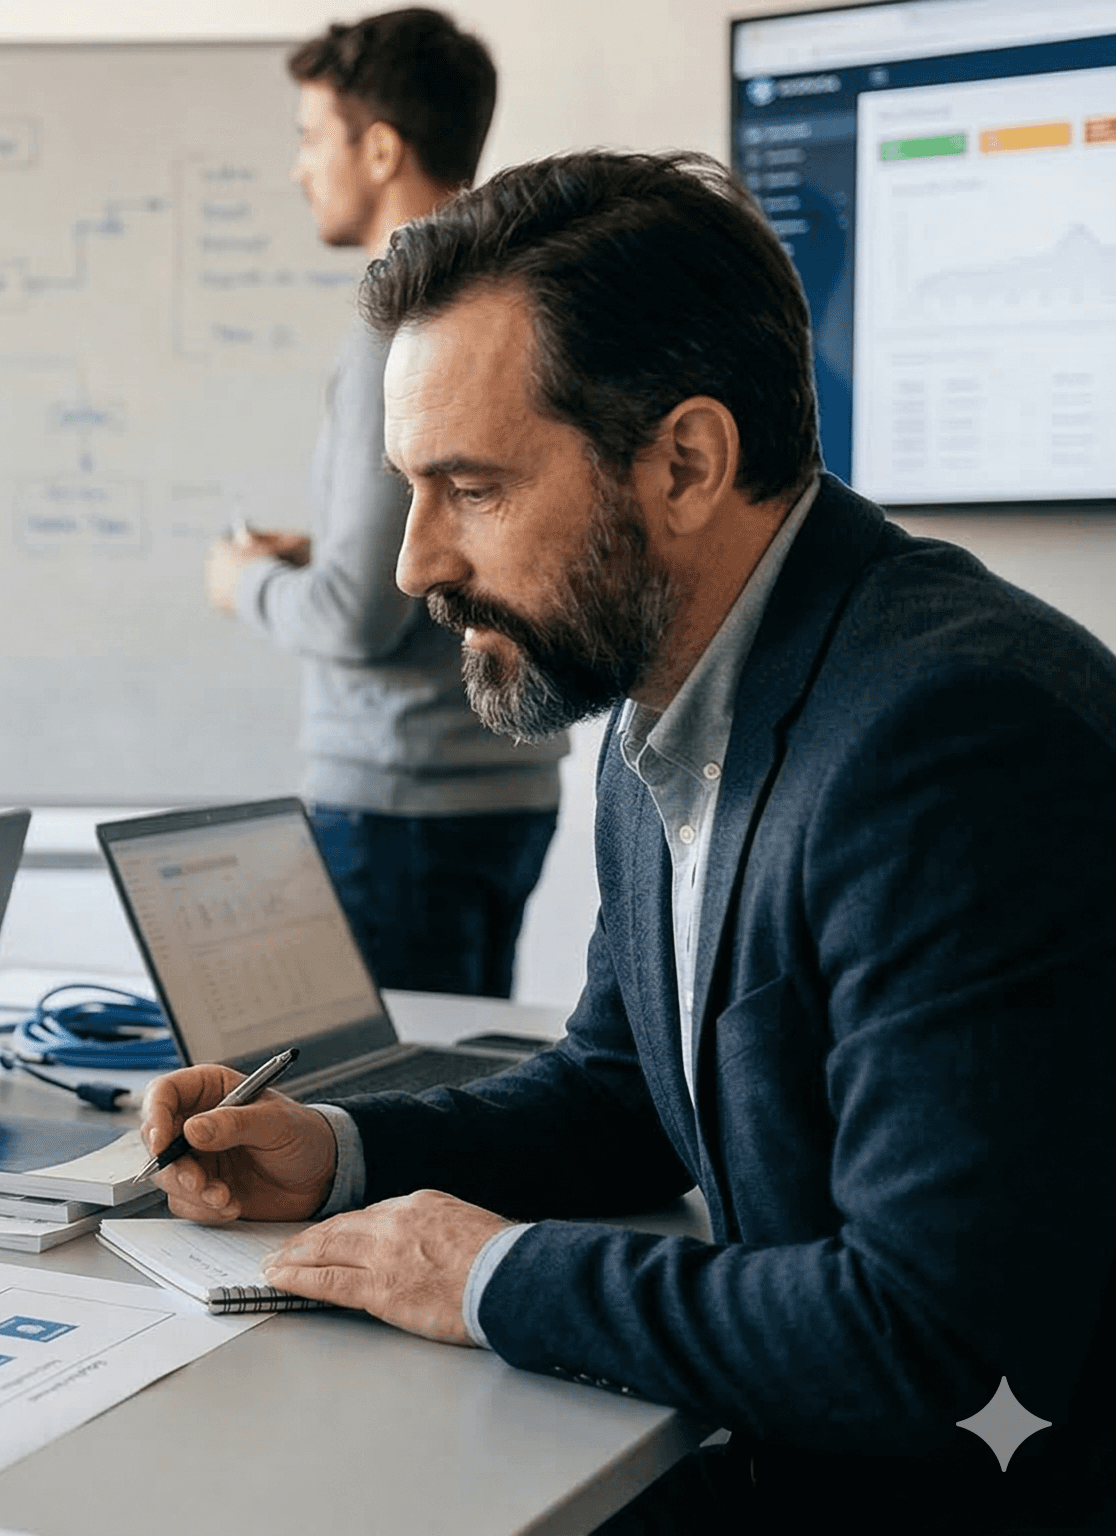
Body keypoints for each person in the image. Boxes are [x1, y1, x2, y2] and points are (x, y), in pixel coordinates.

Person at [145, 149, 1116, 1531]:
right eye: (408, 490)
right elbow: (621, 1087)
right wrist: (343, 1151)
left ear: (687, 463)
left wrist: (487, 1277)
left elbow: (928, 1335)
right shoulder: (667, 688)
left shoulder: (949, 742)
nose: (414, 562)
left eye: (469, 488)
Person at [201, 9, 563, 999]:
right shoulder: (508, 305)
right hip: (497, 788)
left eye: (309, 138)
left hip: (398, 804)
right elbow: (477, 530)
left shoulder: (401, 332)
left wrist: (251, 584)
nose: (297, 168)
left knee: (392, 1118)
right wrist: (328, 545)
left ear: (377, 147)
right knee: (464, 1097)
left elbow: (357, 615)